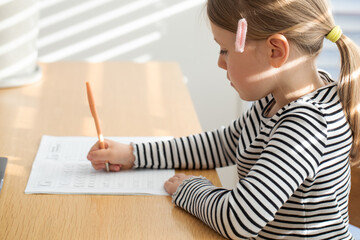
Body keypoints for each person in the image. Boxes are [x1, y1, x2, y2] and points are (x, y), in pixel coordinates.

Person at [87, 0, 360, 239]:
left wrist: (190, 189)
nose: (220, 62)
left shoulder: (306, 127)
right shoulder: (277, 98)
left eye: (225, 50)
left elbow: (240, 219)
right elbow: (223, 144)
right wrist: (135, 154)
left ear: (275, 51)